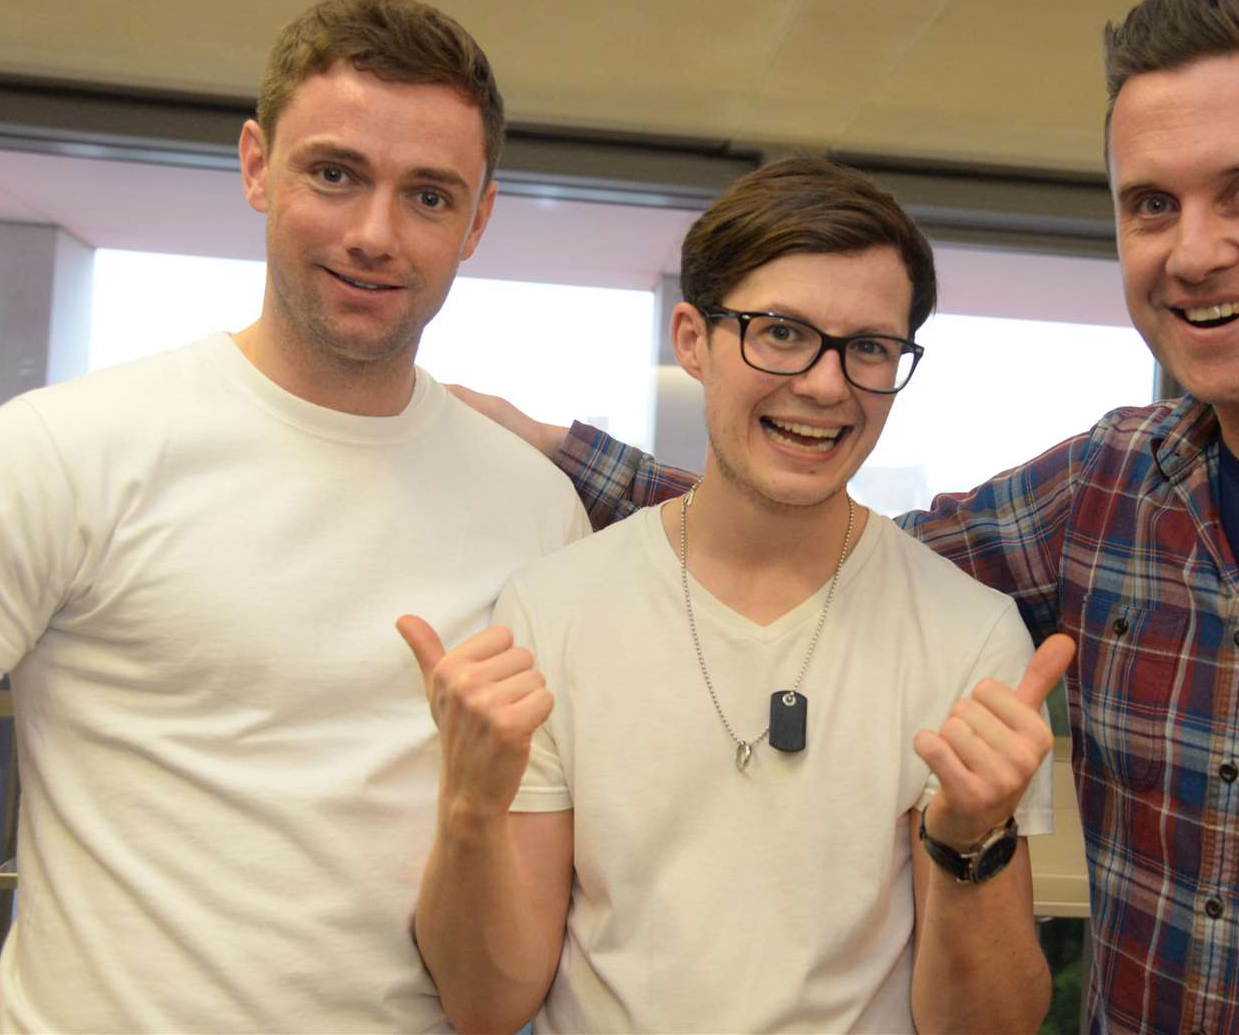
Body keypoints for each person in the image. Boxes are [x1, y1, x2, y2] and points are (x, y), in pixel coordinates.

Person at [457, 0, 1239, 1033]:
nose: (1196, 252)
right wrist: (559, 448)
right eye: (1151, 205)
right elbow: (813, 526)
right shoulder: (1109, 482)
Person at [0, 0, 586, 1032]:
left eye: (430, 197)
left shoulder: (536, 510)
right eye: (335, 173)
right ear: (258, 166)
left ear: (479, 218)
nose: (374, 234)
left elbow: (505, 958)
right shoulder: (60, 456)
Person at [402, 157, 1066, 1033]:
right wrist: (469, 805)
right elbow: (488, 1005)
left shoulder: (970, 638)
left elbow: (988, 1030)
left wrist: (969, 843)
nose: (827, 384)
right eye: (781, 332)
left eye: (869, 348)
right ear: (691, 339)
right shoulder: (553, 610)